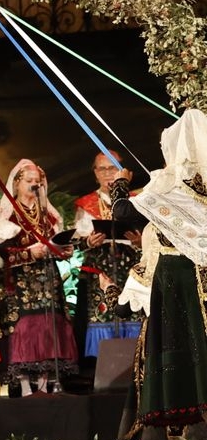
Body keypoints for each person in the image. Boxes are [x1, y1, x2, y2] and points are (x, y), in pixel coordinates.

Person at [113, 109, 207, 432]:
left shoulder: (171, 187)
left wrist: (119, 184)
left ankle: (174, 426)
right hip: (202, 278)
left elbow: (122, 211)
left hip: (174, 277)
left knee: (176, 350)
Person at [0, 159, 78, 396]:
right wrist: (30, 253)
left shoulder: (48, 214)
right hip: (19, 281)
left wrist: (63, 250)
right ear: (17, 183)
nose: (34, 186)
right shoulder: (6, 214)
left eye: (37, 182)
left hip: (47, 278)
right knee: (24, 329)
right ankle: (26, 388)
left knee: (48, 326)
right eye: (29, 181)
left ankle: (44, 384)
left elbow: (59, 241)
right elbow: (1, 252)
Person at [72, 150, 142, 363]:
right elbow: (76, 240)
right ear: (95, 173)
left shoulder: (138, 200)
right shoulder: (86, 204)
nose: (107, 173)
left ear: (123, 171)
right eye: (101, 168)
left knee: (134, 312)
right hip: (100, 268)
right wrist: (88, 241)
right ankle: (102, 368)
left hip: (132, 265)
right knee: (101, 312)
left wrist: (141, 241)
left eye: (112, 168)